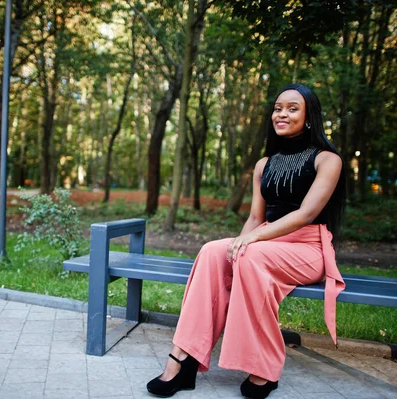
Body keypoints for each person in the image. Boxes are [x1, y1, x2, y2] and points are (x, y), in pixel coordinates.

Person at [146, 83, 346, 399]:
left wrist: (252, 241)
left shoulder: (327, 160)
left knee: (250, 255)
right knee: (213, 251)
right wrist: (236, 246)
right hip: (264, 241)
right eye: (278, 107)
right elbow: (255, 218)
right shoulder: (264, 165)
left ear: (309, 118)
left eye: (293, 108)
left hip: (308, 249)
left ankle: (262, 367)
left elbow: (307, 214)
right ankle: (183, 357)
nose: (282, 113)